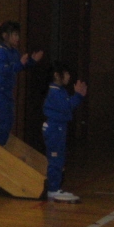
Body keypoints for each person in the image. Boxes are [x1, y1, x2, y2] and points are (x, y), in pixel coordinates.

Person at [0, 21, 43, 145]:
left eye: (18, 35)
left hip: (6, 93)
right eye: (15, 35)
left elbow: (20, 65)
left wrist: (32, 61)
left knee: (8, 122)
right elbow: (4, 70)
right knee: (0, 124)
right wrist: (20, 64)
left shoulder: (14, 52)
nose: (18, 38)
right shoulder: (0, 52)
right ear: (5, 36)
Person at [42, 61, 86, 203]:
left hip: (59, 127)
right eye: (65, 73)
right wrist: (78, 96)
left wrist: (78, 96)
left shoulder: (61, 91)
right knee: (55, 159)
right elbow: (66, 106)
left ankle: (56, 188)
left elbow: (67, 106)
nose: (68, 76)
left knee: (59, 159)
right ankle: (53, 190)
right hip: (54, 128)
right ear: (57, 75)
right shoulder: (54, 92)